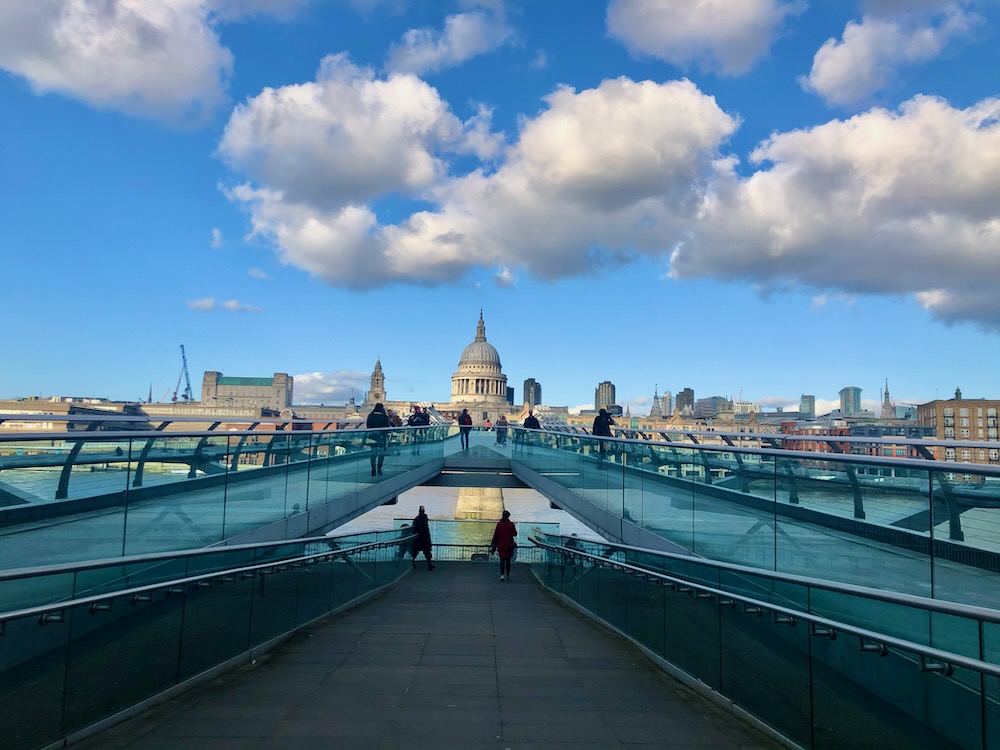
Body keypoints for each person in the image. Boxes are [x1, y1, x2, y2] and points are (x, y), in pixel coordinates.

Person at [490, 510, 518, 581]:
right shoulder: (511, 524)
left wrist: (493, 543)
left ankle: (502, 575)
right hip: (509, 545)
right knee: (508, 561)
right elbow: (515, 534)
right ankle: (508, 574)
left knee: (502, 561)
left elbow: (496, 535)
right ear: (508, 516)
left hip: (501, 545)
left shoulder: (499, 524)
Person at [366, 402, 391, 476]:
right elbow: (387, 426)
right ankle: (379, 469)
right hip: (382, 436)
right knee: (381, 454)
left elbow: (368, 425)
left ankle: (373, 470)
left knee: (373, 453)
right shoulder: (384, 416)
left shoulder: (370, 415)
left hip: (372, 436)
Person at [411, 505, 435, 570]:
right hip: (422, 538)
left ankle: (429, 564)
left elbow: (415, 528)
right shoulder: (422, 519)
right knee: (425, 551)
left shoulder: (418, 519)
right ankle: (429, 564)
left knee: (420, 551)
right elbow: (424, 529)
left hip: (420, 538)